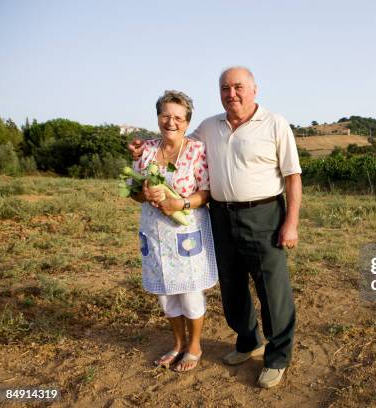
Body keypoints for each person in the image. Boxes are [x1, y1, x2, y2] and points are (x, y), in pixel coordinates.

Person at [130, 67, 302, 388]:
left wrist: (290, 223)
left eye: (238, 87)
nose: (231, 93)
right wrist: (143, 151)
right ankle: (248, 342)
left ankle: (277, 357)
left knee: (271, 289)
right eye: (225, 88)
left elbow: (293, 176)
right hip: (220, 215)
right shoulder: (209, 126)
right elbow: (175, 144)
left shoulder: (275, 123)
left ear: (254, 89)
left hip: (263, 214)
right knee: (232, 285)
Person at [129, 90, 218, 372]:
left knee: (190, 293)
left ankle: (195, 346)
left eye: (178, 117)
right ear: (158, 117)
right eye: (165, 115)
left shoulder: (196, 151)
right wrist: (144, 194)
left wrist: (178, 202)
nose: (171, 122)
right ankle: (178, 343)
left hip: (186, 231)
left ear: (187, 122)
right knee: (166, 295)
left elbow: (206, 192)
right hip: (154, 232)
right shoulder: (146, 151)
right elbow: (133, 192)